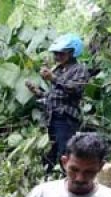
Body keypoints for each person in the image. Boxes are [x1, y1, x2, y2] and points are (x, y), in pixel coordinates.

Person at [25, 34, 90, 173]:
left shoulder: (79, 69)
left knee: (64, 153)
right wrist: (37, 91)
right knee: (50, 155)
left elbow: (75, 89)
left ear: (72, 53)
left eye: (61, 53)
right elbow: (53, 97)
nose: (57, 56)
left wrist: (53, 78)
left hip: (66, 119)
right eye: (56, 53)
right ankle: (49, 179)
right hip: (51, 119)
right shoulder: (59, 70)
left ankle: (67, 180)